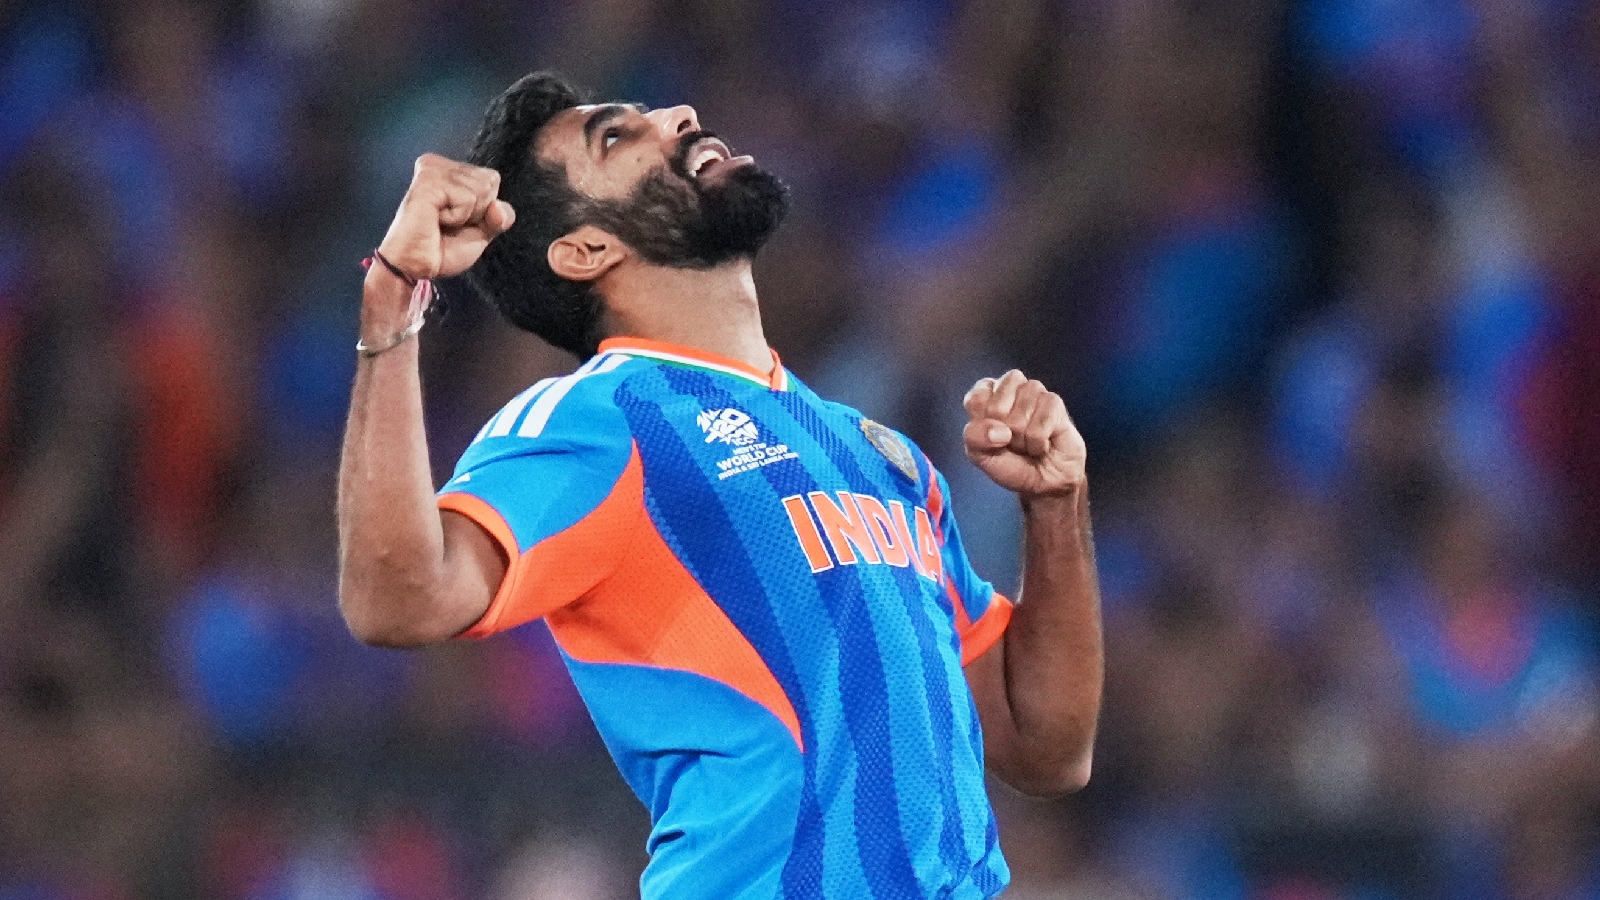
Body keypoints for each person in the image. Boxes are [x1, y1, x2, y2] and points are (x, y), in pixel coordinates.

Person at [336, 72, 1103, 900]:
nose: (679, 116)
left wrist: (1057, 507)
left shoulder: (877, 452)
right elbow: (396, 600)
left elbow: (1045, 747)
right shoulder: (599, 418)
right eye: (616, 138)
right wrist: (392, 305)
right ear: (585, 250)